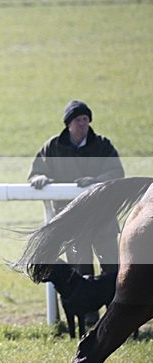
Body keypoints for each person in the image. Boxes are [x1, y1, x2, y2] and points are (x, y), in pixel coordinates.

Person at [28, 100, 124, 322]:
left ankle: (117, 315)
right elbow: (35, 172)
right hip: (72, 221)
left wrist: (96, 181)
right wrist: (40, 178)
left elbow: (116, 172)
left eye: (86, 119)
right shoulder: (53, 146)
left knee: (111, 266)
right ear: (68, 123)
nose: (83, 124)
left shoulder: (102, 145)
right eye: (78, 120)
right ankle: (89, 315)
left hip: (102, 218)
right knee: (80, 266)